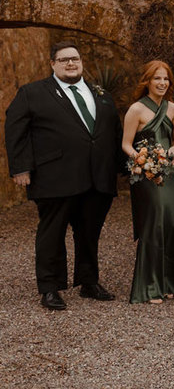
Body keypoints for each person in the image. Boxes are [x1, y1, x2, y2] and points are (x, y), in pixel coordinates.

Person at [5, 41, 122, 310]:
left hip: (96, 178)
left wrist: (122, 166)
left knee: (89, 232)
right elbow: (15, 130)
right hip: (54, 177)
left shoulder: (100, 93)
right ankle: (50, 288)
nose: (71, 63)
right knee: (52, 234)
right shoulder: (33, 92)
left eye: (75, 59)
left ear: (81, 62)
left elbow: (113, 131)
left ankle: (88, 282)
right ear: (52, 64)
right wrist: (21, 167)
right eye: (64, 59)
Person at [122, 60, 174, 304]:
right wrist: (141, 159)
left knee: (169, 224)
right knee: (153, 225)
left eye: (165, 79)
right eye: (157, 78)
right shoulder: (136, 109)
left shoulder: (173, 108)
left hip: (168, 174)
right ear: (147, 81)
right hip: (146, 176)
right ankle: (149, 286)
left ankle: (168, 282)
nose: (162, 83)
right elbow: (126, 144)